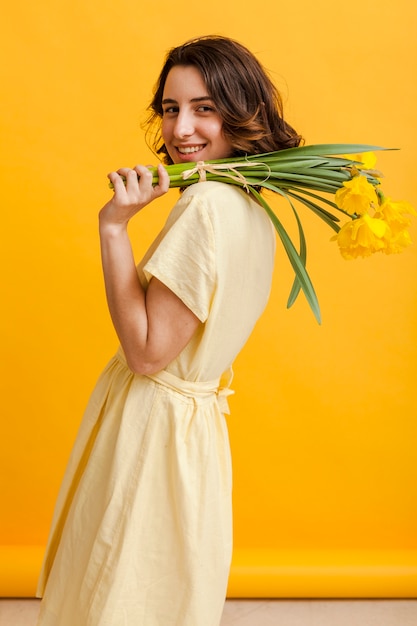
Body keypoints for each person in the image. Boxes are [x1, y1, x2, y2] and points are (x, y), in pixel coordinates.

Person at [36, 35, 302, 626]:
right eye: (170, 107)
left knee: (117, 591)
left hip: (154, 428)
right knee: (159, 591)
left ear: (244, 111)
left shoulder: (206, 205)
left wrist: (113, 229)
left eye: (204, 108)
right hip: (192, 432)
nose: (182, 128)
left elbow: (149, 354)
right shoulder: (253, 204)